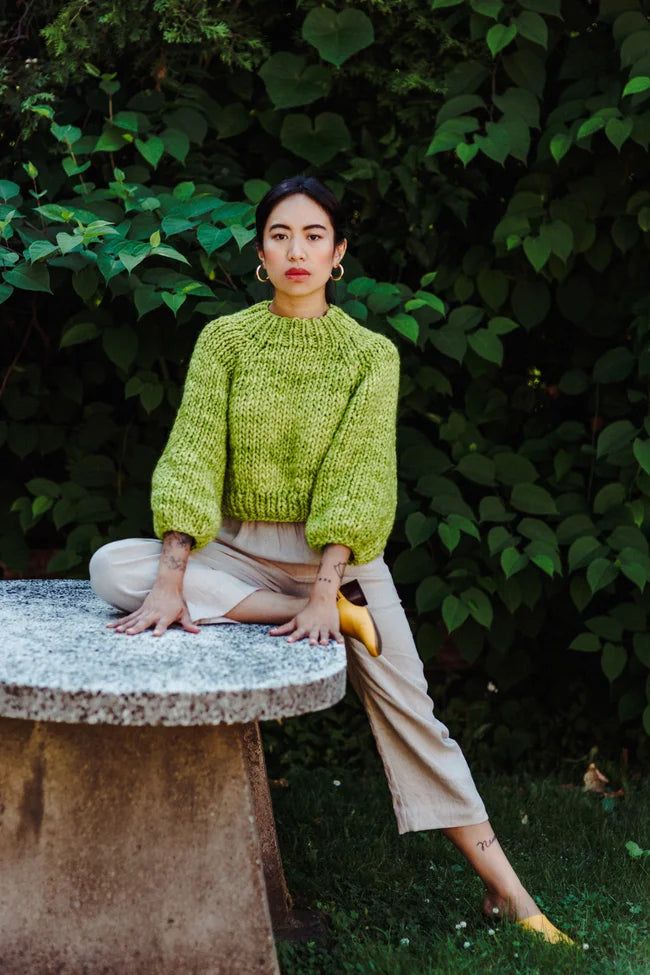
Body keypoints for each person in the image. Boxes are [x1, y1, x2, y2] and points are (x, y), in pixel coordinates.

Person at [89, 175, 575, 947]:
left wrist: (326, 588)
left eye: (314, 235)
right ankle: (316, 616)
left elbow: (359, 478)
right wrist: (174, 571)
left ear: (339, 252)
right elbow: (190, 458)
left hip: (332, 558)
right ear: (259, 251)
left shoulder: (368, 355)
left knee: (415, 713)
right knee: (114, 568)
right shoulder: (225, 340)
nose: (297, 250)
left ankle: (510, 894)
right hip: (233, 548)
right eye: (280, 234)